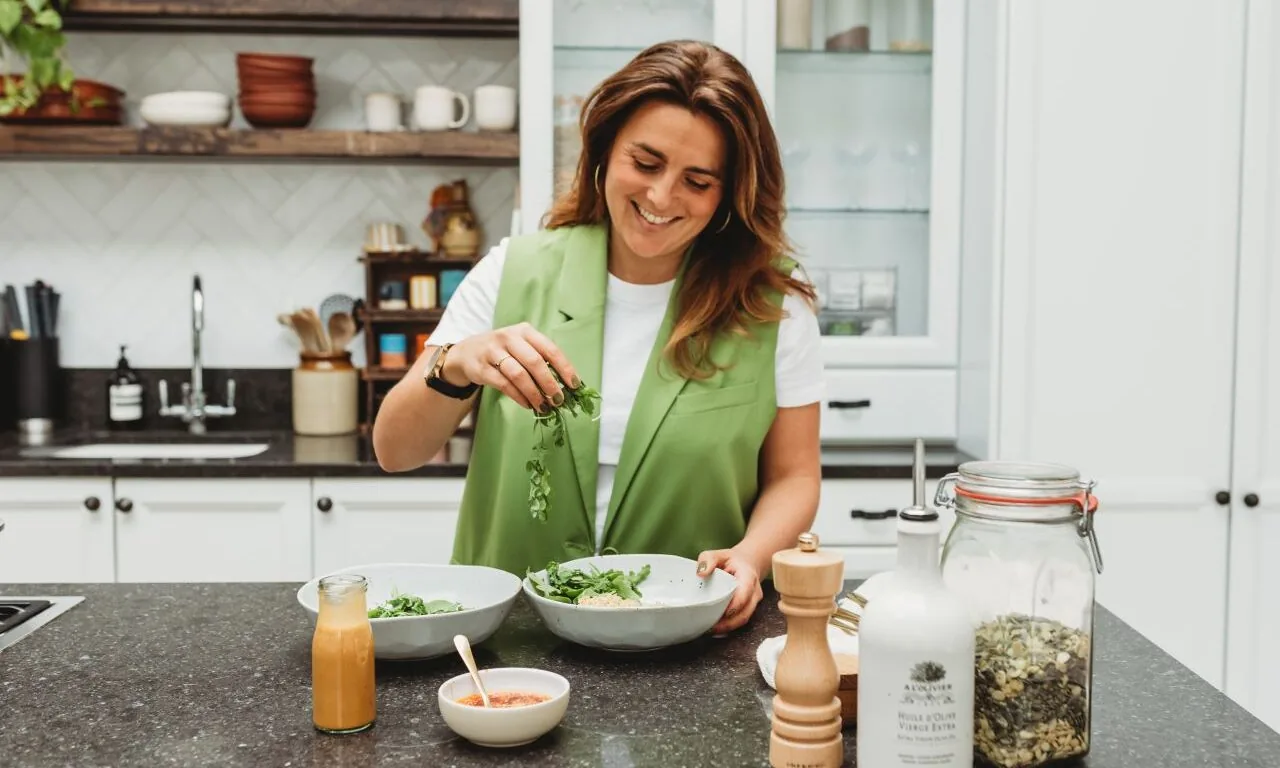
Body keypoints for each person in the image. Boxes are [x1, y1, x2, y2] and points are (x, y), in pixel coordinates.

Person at [372, 39, 823, 634]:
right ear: (604, 151)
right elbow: (395, 450)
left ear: (729, 192)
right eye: (646, 162)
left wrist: (752, 557)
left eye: (698, 180)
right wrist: (456, 363)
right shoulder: (514, 272)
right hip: (512, 639)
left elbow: (794, 476)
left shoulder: (773, 309)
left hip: (685, 634)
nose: (662, 197)